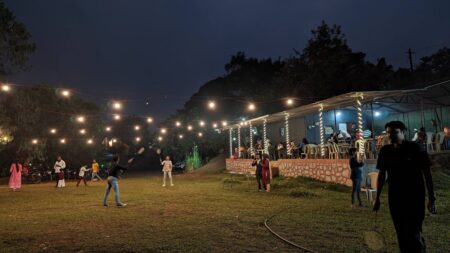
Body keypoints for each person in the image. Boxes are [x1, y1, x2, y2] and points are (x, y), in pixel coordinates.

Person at [373, 121, 436, 253]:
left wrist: (431, 198)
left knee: (414, 232)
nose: (390, 135)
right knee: (401, 232)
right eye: (388, 132)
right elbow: (381, 174)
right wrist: (377, 197)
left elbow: (427, 174)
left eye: (394, 132)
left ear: (403, 131)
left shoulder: (416, 148)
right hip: (395, 198)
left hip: (415, 197)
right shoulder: (385, 151)